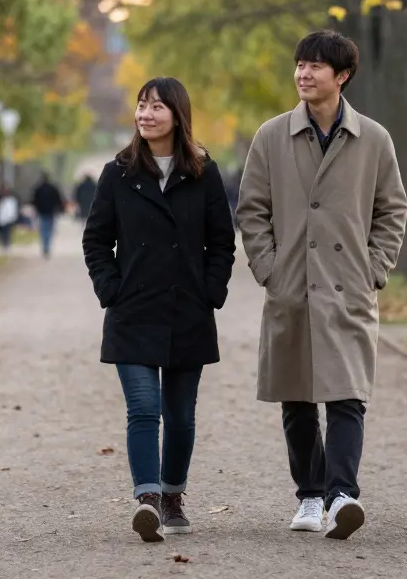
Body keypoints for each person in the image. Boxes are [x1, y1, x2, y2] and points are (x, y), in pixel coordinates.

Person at [236, 30, 407, 540]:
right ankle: (310, 494)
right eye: (299, 65)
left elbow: (392, 210)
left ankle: (341, 496)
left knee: (348, 395)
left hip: (348, 287)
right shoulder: (271, 136)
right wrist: (270, 268)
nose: (303, 74)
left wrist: (374, 269)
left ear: (342, 76)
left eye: (314, 66)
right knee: (297, 396)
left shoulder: (373, 138)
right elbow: (251, 209)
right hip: (292, 285)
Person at [82, 77, 236, 543]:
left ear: (177, 114)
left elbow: (222, 242)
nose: (146, 114)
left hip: (188, 311)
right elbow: (95, 239)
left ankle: (173, 495)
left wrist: (211, 290)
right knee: (144, 409)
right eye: (141, 106)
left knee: (182, 415)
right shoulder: (119, 172)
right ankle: (147, 499)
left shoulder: (204, 173)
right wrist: (112, 289)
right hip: (133, 311)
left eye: (156, 106)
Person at [30, 172, 65, 258]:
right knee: (50, 230)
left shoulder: (38, 189)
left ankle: (45, 246)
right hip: (51, 212)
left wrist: (36, 208)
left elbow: (34, 200)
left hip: (42, 212)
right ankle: (47, 246)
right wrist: (60, 208)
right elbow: (58, 199)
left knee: (43, 230)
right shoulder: (53, 188)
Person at [0, 184, 20, 251]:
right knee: (2, 231)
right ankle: (4, 242)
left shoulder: (10, 199)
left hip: (8, 218)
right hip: (1, 218)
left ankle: (6, 242)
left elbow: (13, 209)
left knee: (7, 231)